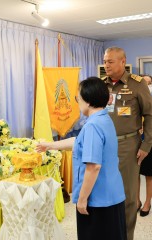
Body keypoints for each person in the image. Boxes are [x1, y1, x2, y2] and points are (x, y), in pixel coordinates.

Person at [36, 77, 127, 240]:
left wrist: (82, 199)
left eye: (78, 98)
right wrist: (49, 145)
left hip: (97, 200)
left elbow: (93, 167)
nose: (77, 102)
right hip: (112, 195)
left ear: (88, 100)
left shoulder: (92, 126)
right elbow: (78, 142)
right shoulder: (104, 119)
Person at [102, 47, 152, 240]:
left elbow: (149, 115)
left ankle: (125, 235)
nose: (106, 65)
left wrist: (146, 145)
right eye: (105, 61)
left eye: (110, 61)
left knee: (129, 196)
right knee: (105, 191)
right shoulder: (101, 85)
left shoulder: (137, 85)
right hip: (104, 145)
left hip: (127, 146)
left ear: (123, 62)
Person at [137, 74, 152, 217]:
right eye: (144, 83)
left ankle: (147, 202)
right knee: (134, 172)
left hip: (149, 140)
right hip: (134, 139)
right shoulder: (133, 98)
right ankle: (136, 201)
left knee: (148, 173)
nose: (146, 86)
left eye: (149, 83)